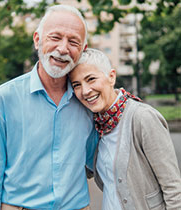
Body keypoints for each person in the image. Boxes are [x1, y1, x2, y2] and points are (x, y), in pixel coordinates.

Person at [0, 5, 98, 210]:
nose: (63, 48)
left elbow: (100, 161)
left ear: (82, 50)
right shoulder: (3, 99)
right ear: (37, 40)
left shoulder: (88, 101)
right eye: (55, 37)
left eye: (73, 41)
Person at [69, 48, 181, 210]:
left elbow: (173, 189)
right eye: (77, 85)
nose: (85, 91)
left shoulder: (143, 118)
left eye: (91, 79)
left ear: (111, 77)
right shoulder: (95, 125)